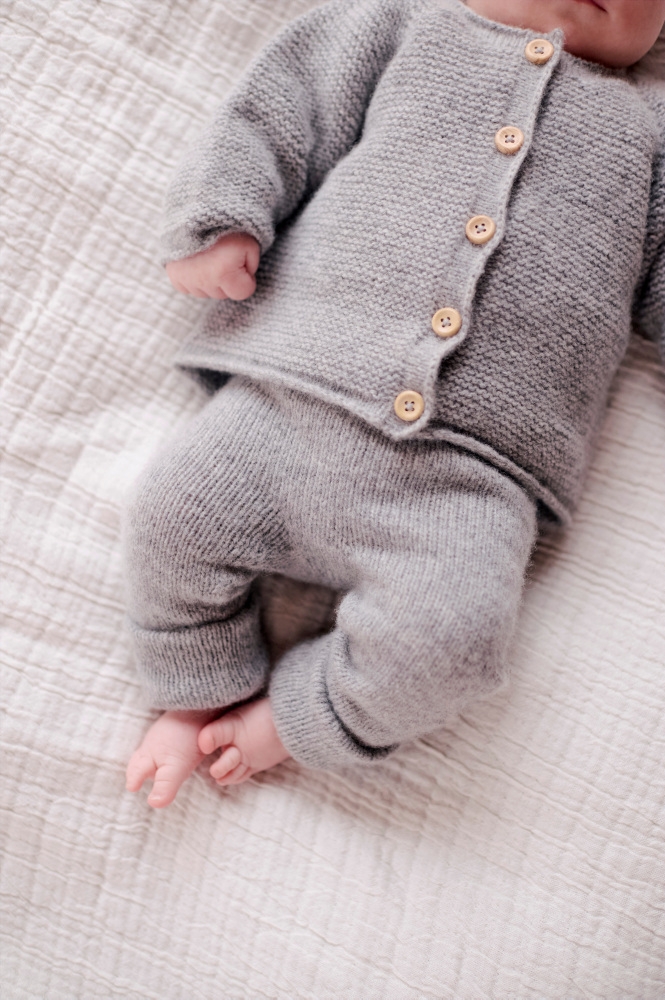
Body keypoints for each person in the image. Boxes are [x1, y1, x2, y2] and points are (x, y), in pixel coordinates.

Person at [125, 0, 665, 808]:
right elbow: (280, 108)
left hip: (467, 483)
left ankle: (299, 717)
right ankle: (195, 692)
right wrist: (220, 218)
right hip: (288, 403)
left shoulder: (647, 130)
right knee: (171, 518)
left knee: (455, 644)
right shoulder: (405, 28)